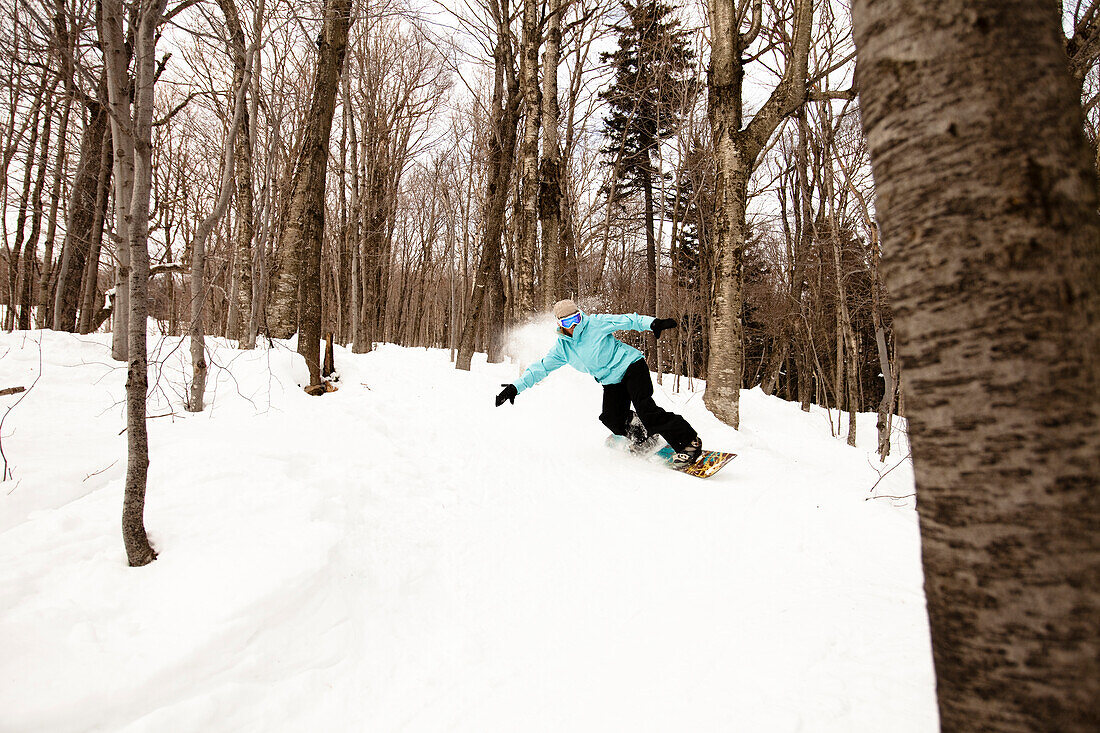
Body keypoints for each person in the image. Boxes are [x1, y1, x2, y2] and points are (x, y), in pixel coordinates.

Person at [494, 299, 703, 466]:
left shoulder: (594, 323)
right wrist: (515, 387)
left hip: (631, 366)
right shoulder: (562, 349)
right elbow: (540, 368)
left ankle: (689, 442)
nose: (574, 325)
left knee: (646, 408)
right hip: (612, 381)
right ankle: (642, 438)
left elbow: (627, 320)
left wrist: (652, 323)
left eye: (576, 318)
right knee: (611, 418)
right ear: (560, 324)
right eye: (567, 322)